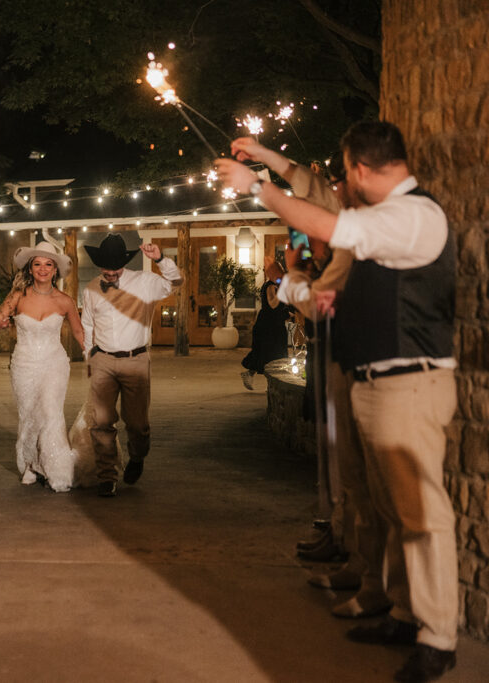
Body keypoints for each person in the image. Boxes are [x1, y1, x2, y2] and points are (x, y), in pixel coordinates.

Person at [217, 120, 458, 683]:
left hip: (410, 382)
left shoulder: (414, 214)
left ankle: (439, 636)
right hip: (378, 379)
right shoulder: (385, 216)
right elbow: (315, 197)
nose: (341, 181)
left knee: (423, 514)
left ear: (361, 168)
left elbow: (321, 217)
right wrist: (264, 159)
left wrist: (256, 185)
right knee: (391, 506)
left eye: (346, 171)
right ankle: (401, 609)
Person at [80, 234, 183, 497]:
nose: (110, 272)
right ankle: (107, 476)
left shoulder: (145, 283)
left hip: (136, 359)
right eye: (106, 267)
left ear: (123, 265)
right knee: (101, 422)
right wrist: (88, 356)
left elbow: (177, 282)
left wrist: (160, 259)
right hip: (102, 359)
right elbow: (88, 325)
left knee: (137, 424)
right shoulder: (91, 288)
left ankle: (137, 457)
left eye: (115, 267)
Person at [0, 240, 91, 492]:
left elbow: (79, 333)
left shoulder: (65, 301)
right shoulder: (17, 297)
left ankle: (58, 472)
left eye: (48, 264)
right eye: (37, 264)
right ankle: (31, 465)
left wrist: (92, 356)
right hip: (24, 365)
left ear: (55, 270)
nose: (43, 269)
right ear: (30, 269)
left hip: (54, 363)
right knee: (30, 415)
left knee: (50, 412)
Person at [239, 264, 290, 390]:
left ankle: (266, 382)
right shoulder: (270, 286)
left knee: (273, 353)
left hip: (275, 324)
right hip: (268, 325)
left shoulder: (277, 285)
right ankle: (270, 383)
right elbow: (272, 304)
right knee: (269, 353)